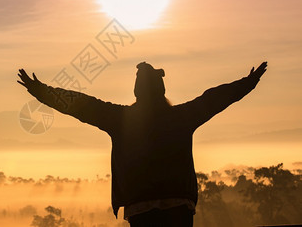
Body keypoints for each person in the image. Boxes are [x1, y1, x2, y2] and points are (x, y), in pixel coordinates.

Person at [17, 61, 267, 226]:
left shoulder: (120, 119)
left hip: (141, 206)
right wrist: (247, 83)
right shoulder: (182, 116)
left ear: (137, 92)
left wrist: (41, 91)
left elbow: (82, 105)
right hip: (179, 204)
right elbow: (214, 99)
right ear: (161, 90)